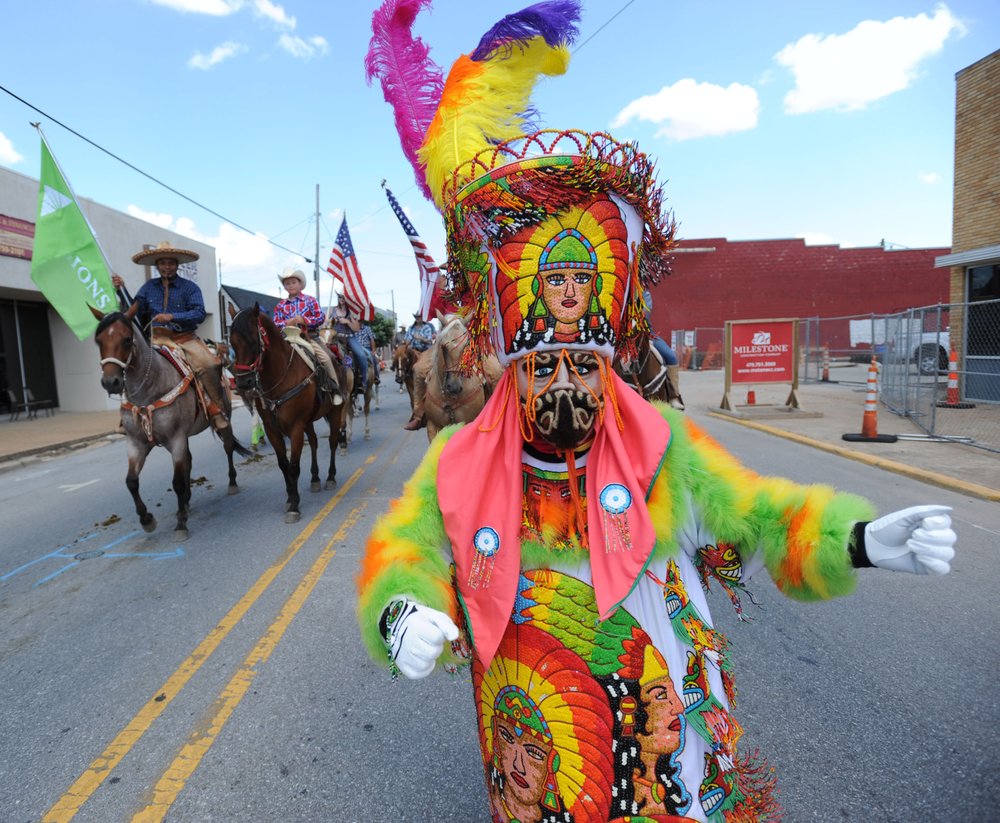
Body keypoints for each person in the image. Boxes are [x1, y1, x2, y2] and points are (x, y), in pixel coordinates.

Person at [358, 4, 957, 823]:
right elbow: (405, 550)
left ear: (609, 362)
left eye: (582, 362)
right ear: (509, 364)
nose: (564, 380)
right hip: (534, 747)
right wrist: (401, 611)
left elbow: (755, 514)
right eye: (544, 363)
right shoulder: (458, 462)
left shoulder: (659, 441)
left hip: (660, 743)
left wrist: (852, 541)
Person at [112, 241, 231, 432]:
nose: (166, 266)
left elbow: (199, 313)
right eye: (162, 263)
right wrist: (121, 289)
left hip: (185, 339)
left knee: (209, 364)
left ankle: (216, 410)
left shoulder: (190, 288)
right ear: (157, 265)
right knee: (131, 363)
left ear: (177, 265)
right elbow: (132, 310)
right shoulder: (148, 288)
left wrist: (173, 316)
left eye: (170, 263)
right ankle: (128, 413)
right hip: (156, 339)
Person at [272, 268, 341, 399]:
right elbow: (275, 323)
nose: (291, 285)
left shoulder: (310, 301)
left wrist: (305, 320)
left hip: (309, 337)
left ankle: (334, 388)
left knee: (326, 358)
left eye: (293, 282)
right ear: (285, 287)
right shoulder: (280, 305)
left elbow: (320, 318)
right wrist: (287, 323)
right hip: (287, 338)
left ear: (300, 284)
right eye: (287, 283)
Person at [643, 288, 685, 410]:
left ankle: (673, 396)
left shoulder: (644, 293)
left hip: (646, 334)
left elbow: (644, 313)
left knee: (671, 357)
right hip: (620, 337)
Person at [402, 312, 437, 431]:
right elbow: (406, 340)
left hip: (425, 351)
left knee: (419, 367)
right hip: (412, 350)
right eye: (417, 317)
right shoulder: (411, 329)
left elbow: (429, 341)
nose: (418, 319)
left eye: (420, 317)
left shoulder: (427, 327)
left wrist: (420, 338)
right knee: (401, 357)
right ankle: (400, 373)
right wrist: (405, 344)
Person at [332, 296, 371, 396]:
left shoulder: (352, 312)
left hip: (349, 338)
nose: (341, 299)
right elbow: (326, 324)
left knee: (362, 356)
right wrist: (328, 322)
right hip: (335, 338)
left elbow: (357, 328)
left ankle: (363, 381)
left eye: (344, 297)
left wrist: (348, 322)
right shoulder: (333, 310)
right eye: (340, 297)